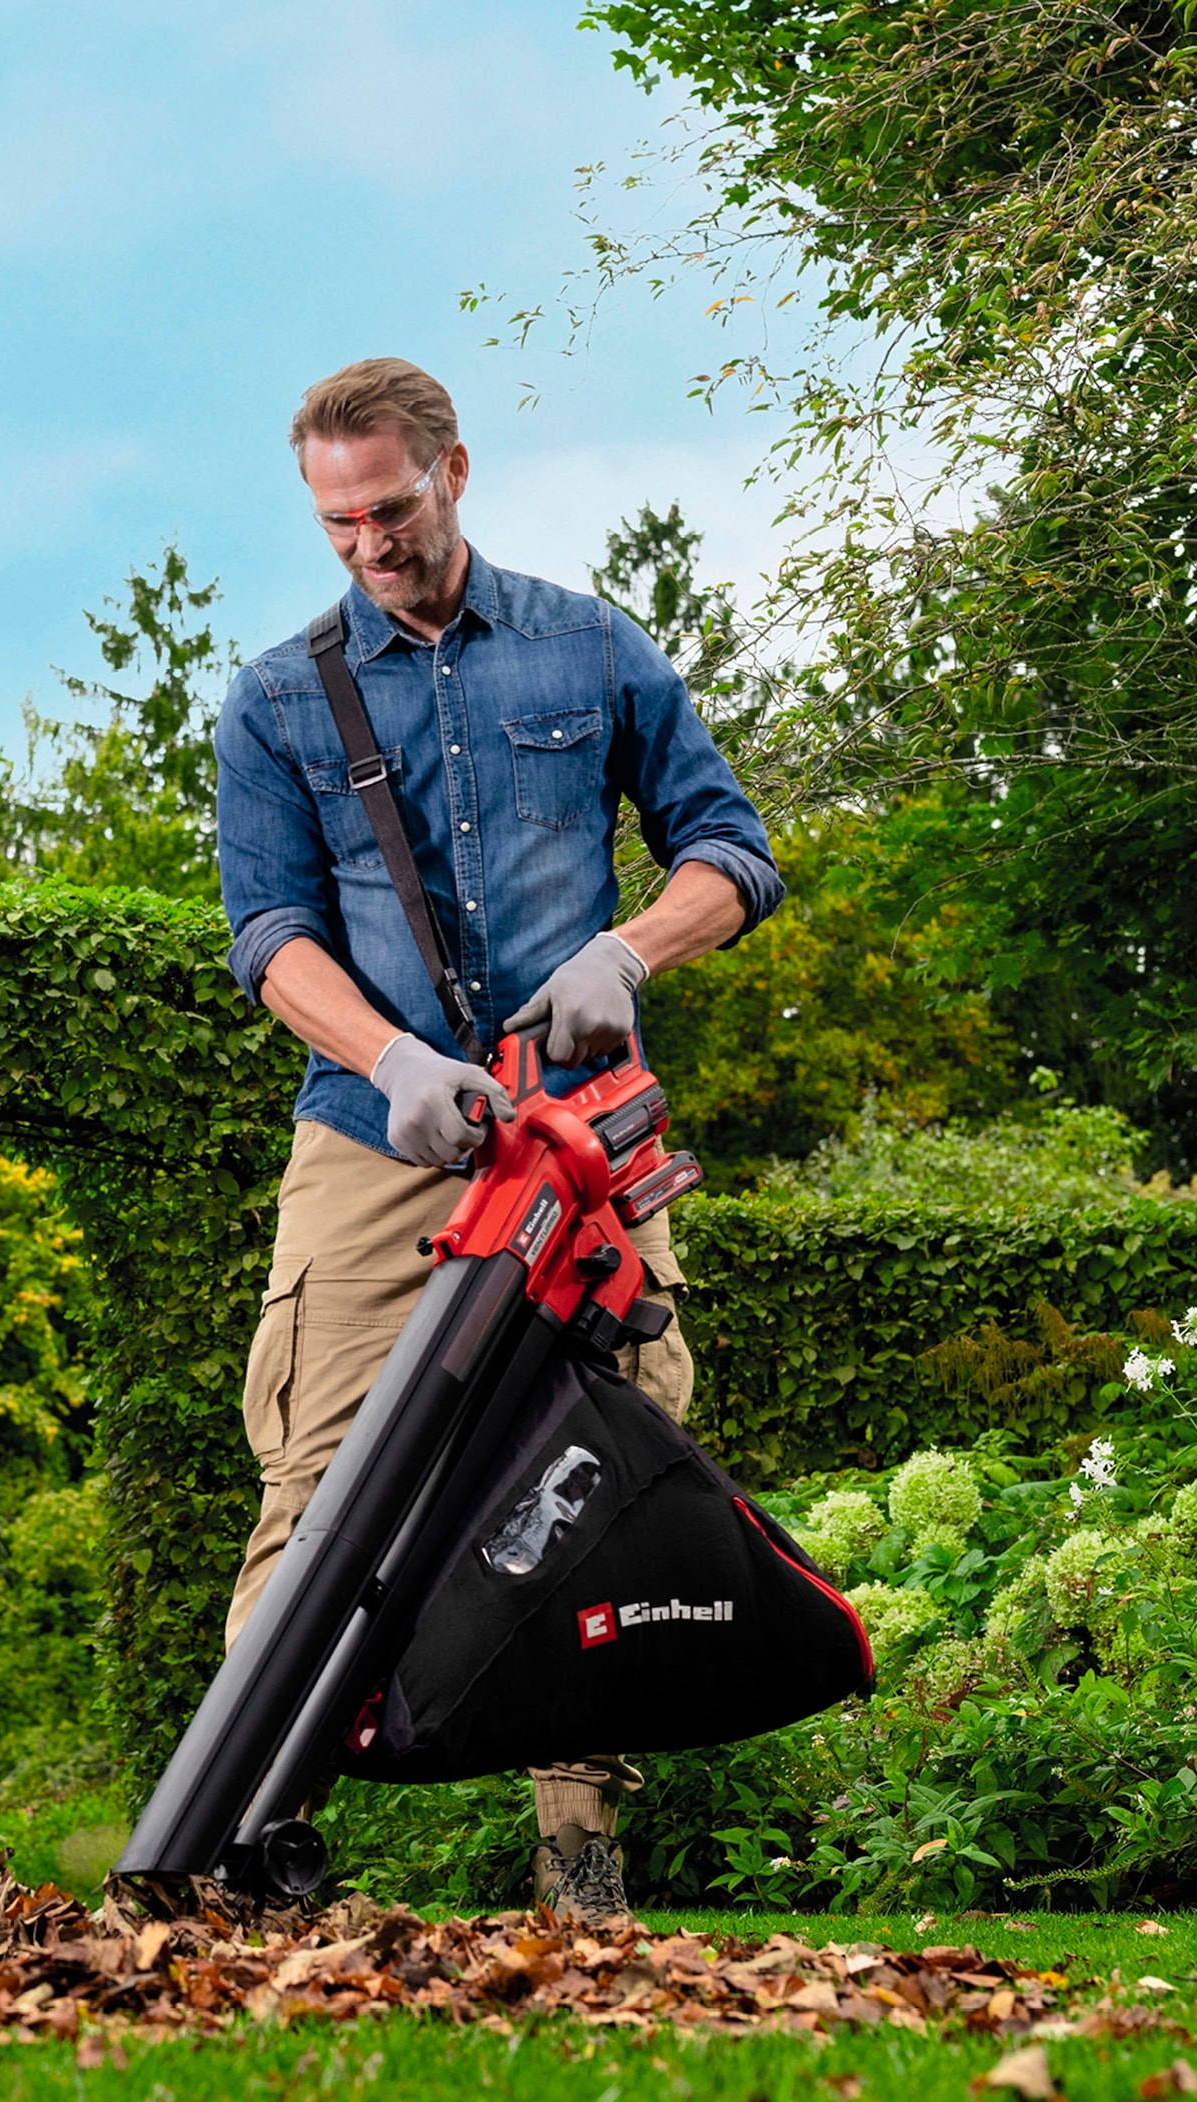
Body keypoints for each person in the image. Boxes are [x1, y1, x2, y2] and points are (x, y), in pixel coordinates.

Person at [213, 357, 784, 1925]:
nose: (367, 547)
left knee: (598, 1471)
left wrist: (632, 955)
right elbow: (268, 934)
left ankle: (582, 1873)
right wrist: (389, 1052)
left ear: (454, 470)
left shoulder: (589, 648)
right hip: (372, 1138)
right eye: (336, 524)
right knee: (318, 1477)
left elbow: (730, 850)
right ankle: (244, 1843)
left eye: (389, 508)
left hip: (579, 1133)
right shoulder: (275, 698)